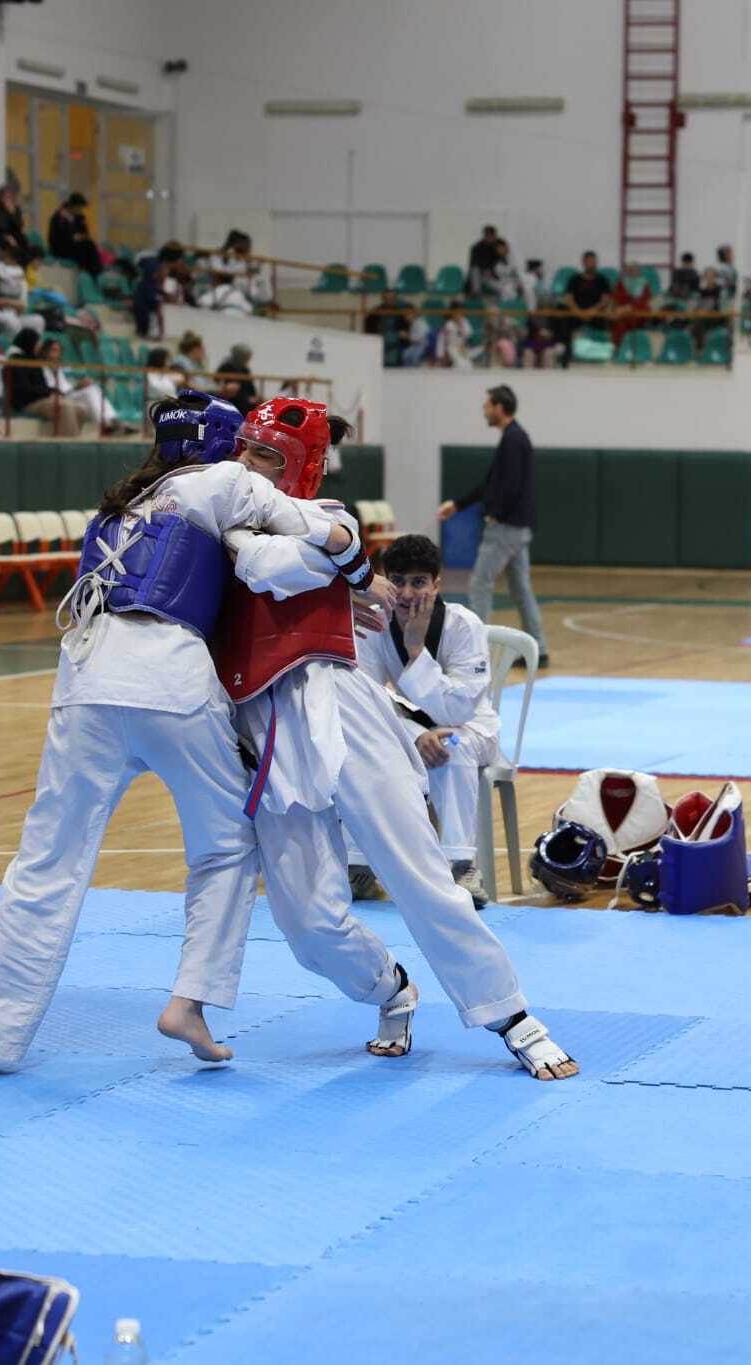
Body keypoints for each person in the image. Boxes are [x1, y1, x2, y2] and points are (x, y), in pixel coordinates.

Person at [0, 395, 345, 1076]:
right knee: (224, 846)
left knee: (45, 864)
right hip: (170, 682)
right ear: (221, 444)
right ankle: (191, 999)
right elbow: (310, 524)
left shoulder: (117, 505)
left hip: (83, 684)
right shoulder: (220, 481)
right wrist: (355, 559)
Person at [215, 399, 578, 1081]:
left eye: (264, 454)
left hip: (340, 701)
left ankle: (510, 1011)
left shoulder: (329, 519)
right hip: (265, 724)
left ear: (301, 466)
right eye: (241, 448)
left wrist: (288, 557)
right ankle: (391, 988)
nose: (245, 464)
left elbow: (267, 565)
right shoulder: (217, 516)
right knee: (308, 926)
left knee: (418, 873)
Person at [348, 534, 500, 898]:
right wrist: (414, 732)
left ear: (437, 583)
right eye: (397, 580)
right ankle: (358, 862)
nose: (406, 593)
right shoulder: (374, 623)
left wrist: (416, 650)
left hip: (471, 729)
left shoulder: (464, 625)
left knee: (453, 747)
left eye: (418, 582)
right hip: (407, 728)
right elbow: (365, 696)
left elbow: (459, 708)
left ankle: (462, 865)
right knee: (355, 746)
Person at [437, 384, 548, 659]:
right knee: (521, 589)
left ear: (499, 407)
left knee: (479, 584)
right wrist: (458, 505)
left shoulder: (514, 440)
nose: (484, 411)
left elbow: (510, 485)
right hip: (518, 527)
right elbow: (491, 483)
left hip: (506, 528)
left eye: (487, 405)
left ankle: (475, 653)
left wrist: (495, 513)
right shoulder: (513, 437)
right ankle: (539, 649)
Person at [49, 193, 103, 276]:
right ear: (73, 206)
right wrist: (73, 238)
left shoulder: (78, 217)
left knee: (89, 245)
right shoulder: (59, 217)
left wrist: (81, 226)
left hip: (73, 246)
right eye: (79, 208)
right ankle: (95, 274)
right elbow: (57, 238)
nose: (81, 210)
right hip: (61, 248)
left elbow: (85, 234)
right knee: (88, 247)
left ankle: (96, 272)